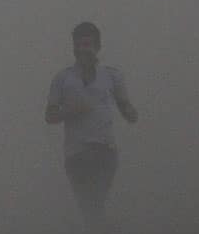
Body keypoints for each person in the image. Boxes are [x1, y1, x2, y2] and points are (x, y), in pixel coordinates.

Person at [45, 22, 138, 220]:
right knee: (86, 202)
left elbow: (127, 109)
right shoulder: (63, 79)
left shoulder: (112, 76)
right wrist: (70, 111)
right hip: (77, 153)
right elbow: (50, 116)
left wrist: (131, 113)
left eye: (86, 44)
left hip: (105, 149)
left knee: (96, 200)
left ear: (97, 46)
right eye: (78, 45)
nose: (82, 49)